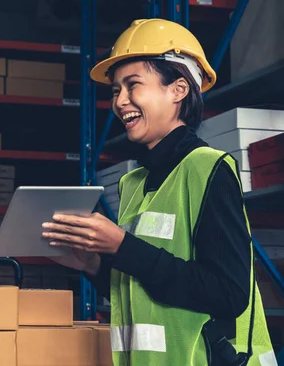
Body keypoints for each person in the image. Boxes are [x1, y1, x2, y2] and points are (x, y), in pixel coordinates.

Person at [42, 19, 276, 365]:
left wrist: (122, 246)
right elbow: (145, 290)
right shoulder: (133, 183)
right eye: (115, 91)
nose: (120, 101)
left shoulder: (208, 169)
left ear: (178, 89)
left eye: (133, 85)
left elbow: (228, 294)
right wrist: (93, 264)